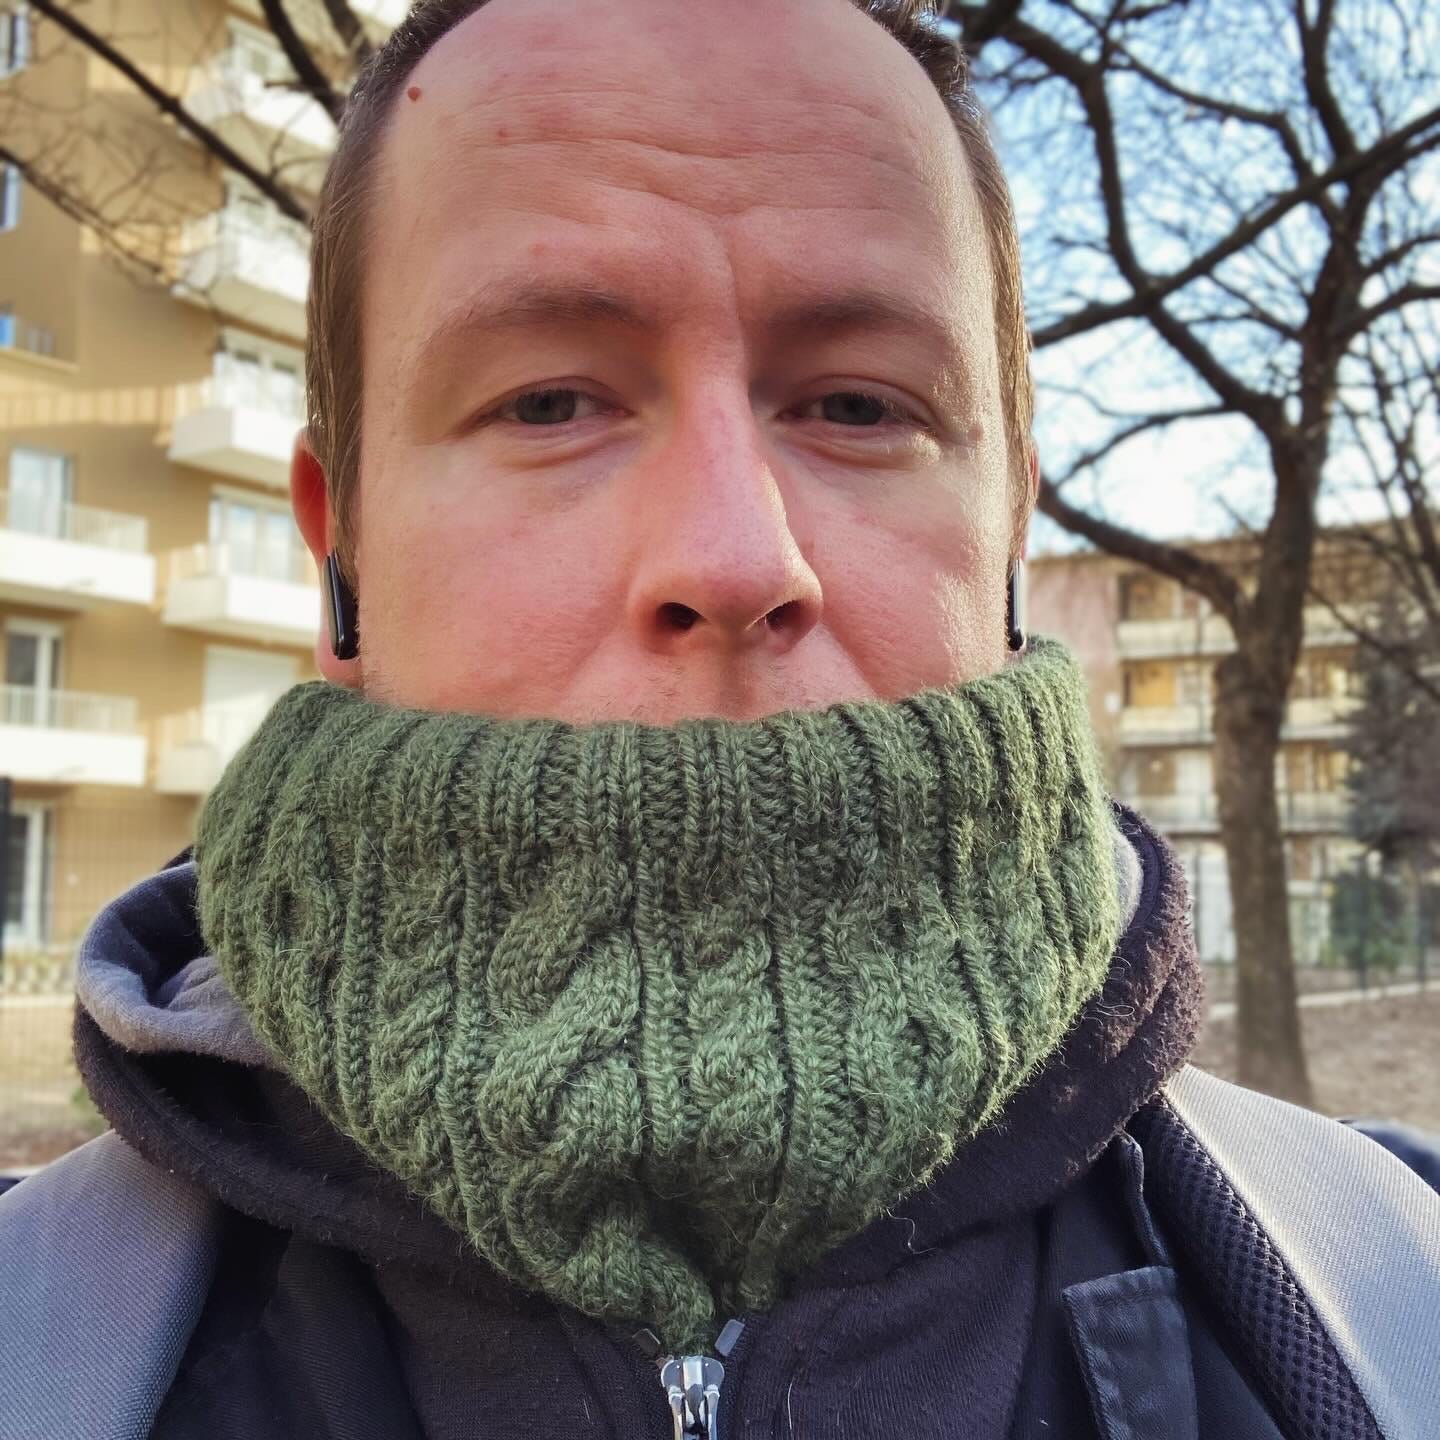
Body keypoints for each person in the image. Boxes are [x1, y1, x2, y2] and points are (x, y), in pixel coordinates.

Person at [2, 2, 1436, 1437]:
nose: (736, 558)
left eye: (861, 406)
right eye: (550, 400)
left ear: (1010, 531)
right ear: (342, 557)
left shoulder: (1398, 1295)